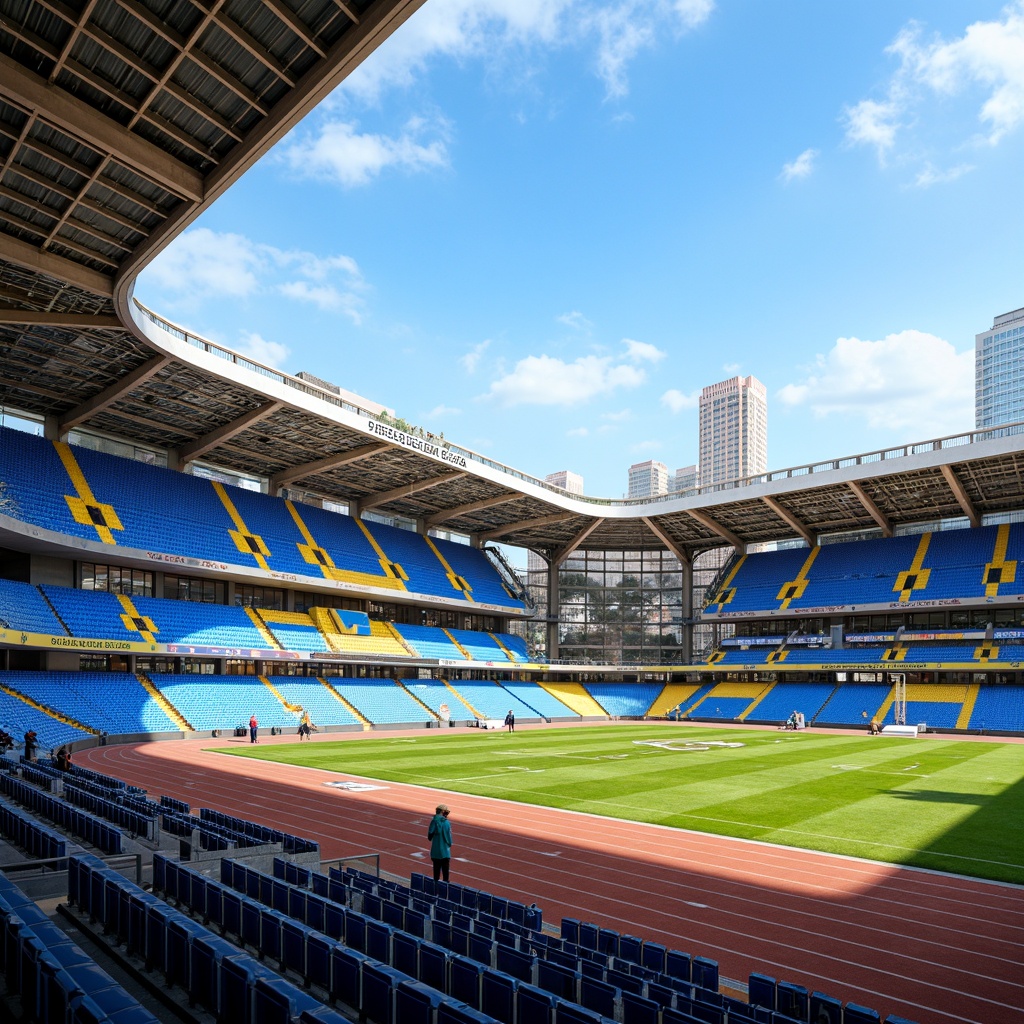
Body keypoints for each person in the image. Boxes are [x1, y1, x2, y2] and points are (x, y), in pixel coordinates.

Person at [427, 803, 452, 882]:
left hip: (436, 851)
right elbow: (449, 838)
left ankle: (436, 889)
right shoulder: (447, 823)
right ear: (443, 812)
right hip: (445, 851)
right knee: (446, 875)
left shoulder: (434, 821)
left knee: (436, 874)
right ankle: (445, 889)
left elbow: (429, 837)